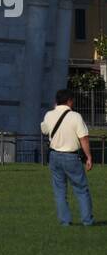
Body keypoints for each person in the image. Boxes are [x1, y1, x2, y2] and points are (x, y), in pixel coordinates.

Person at [41, 88, 94, 227]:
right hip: (71, 156)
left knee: (59, 190)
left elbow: (44, 130)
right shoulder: (75, 116)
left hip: (54, 156)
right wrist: (88, 156)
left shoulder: (49, 115)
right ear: (69, 101)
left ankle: (65, 221)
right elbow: (84, 138)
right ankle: (87, 220)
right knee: (81, 189)